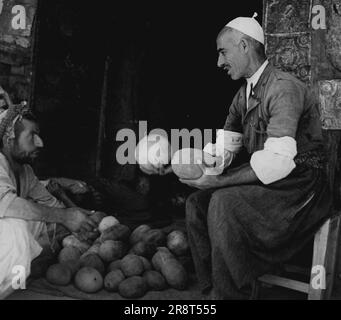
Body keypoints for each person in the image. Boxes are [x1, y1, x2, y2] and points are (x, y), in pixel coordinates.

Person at [177, 14, 333, 299]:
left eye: (223, 52)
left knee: (223, 202)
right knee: (197, 204)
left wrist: (217, 183)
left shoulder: (282, 88)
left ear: (245, 45)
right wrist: (199, 166)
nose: (219, 63)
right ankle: (215, 290)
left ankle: (231, 296)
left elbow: (278, 162)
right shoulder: (243, 96)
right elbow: (225, 147)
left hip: (300, 188)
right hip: (272, 183)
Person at [0, 88, 97, 299]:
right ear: (9, 139)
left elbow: (51, 205)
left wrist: (80, 215)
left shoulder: (25, 172)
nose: (40, 143)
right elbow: (7, 204)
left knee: (38, 221)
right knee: (16, 227)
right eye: (31, 136)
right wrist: (66, 217)